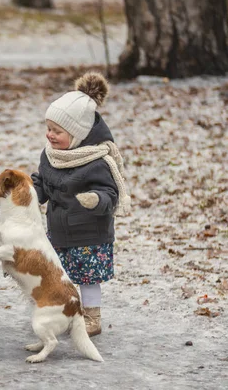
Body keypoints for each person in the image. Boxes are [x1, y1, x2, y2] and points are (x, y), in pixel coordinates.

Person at [31, 72, 131, 337]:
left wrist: (97, 199)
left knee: (88, 279)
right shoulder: (52, 155)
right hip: (60, 230)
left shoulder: (97, 161)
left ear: (77, 134)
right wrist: (31, 193)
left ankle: (92, 317)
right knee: (58, 275)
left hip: (89, 234)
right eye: (48, 128)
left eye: (57, 131)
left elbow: (110, 193)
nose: (49, 135)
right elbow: (44, 182)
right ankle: (61, 313)